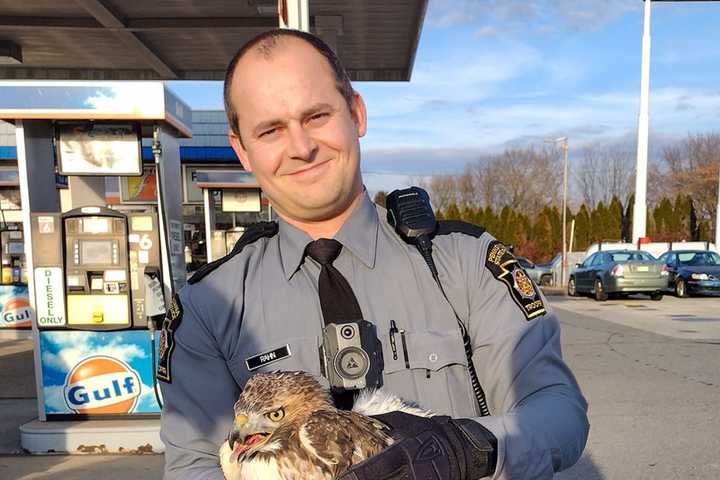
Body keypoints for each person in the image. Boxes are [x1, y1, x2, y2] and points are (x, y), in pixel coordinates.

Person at [158, 29, 589, 480]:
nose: (302, 148)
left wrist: (466, 446)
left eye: (317, 116)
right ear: (242, 150)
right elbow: (194, 465)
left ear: (356, 113)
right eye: (271, 130)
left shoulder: (466, 263)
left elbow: (557, 411)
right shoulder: (207, 307)